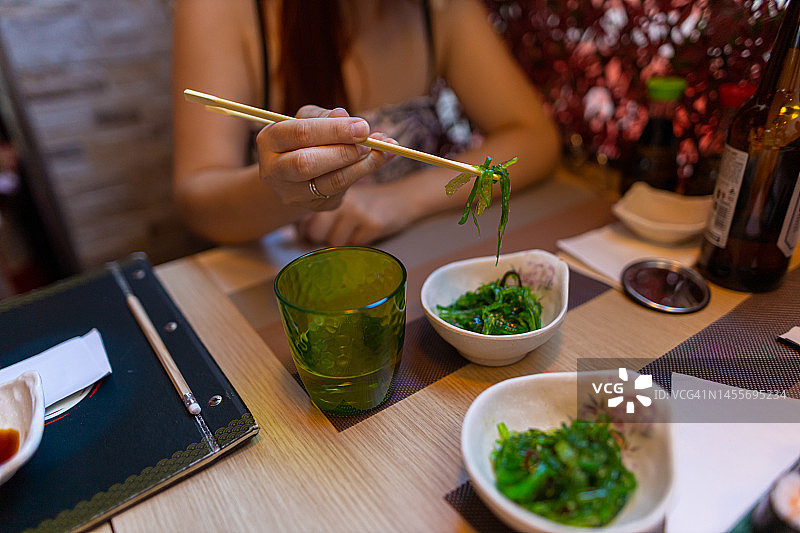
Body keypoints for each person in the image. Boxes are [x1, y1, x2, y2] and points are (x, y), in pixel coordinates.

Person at [172, 0, 560, 246]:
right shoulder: (224, 10)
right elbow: (197, 200)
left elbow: (534, 137)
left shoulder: (440, 8)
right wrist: (285, 188)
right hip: (279, 276)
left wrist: (404, 200)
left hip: (414, 257)